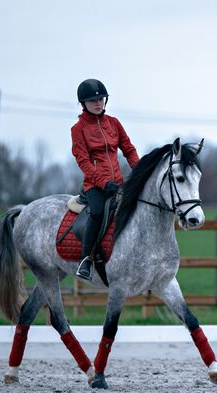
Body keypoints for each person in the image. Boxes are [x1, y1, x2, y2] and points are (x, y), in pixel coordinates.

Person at [71, 79, 140, 280]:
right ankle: (86, 259)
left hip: (118, 182)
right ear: (83, 104)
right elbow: (83, 162)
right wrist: (103, 183)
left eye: (101, 99)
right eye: (93, 100)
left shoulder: (114, 123)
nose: (98, 103)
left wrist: (139, 170)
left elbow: (128, 149)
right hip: (95, 185)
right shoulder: (78, 129)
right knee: (99, 212)